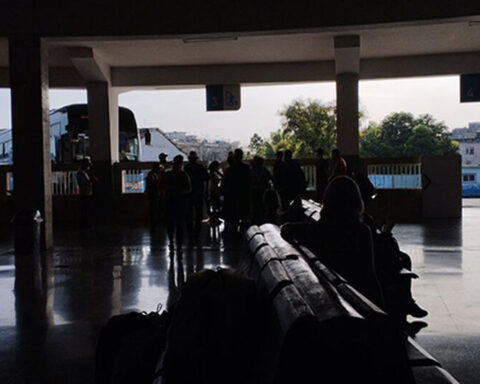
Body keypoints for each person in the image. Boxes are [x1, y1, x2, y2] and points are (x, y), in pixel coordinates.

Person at [281, 175, 384, 308]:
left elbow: (286, 228)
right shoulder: (361, 232)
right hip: (358, 301)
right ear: (356, 201)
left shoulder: (318, 230)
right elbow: (370, 277)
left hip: (328, 298)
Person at [162, 155, 192, 253]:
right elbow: (189, 189)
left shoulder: (167, 175)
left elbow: (161, 186)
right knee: (180, 226)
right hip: (181, 203)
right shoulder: (184, 175)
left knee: (170, 224)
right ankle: (178, 246)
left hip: (169, 201)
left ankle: (171, 242)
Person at [222, 149, 251, 231]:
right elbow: (249, 181)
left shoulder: (230, 170)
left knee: (233, 214)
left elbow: (226, 182)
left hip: (232, 194)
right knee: (243, 213)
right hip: (243, 193)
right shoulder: (246, 168)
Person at [184, 151, 209, 240]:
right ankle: (197, 232)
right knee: (198, 214)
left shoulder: (186, 168)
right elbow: (206, 180)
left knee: (189, 214)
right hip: (198, 193)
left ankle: (190, 232)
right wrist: (206, 192)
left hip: (189, 194)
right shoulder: (201, 168)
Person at [250, 156, 273, 224]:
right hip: (262, 189)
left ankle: (254, 219)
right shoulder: (264, 170)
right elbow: (270, 178)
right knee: (262, 204)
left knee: (254, 204)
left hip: (253, 189)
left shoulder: (252, 170)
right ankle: (262, 219)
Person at [77, 158, 97, 228]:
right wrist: (90, 181)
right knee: (85, 210)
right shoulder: (81, 173)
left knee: (86, 210)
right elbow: (82, 183)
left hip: (87, 193)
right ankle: (84, 224)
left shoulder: (84, 173)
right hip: (84, 194)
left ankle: (86, 223)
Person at [145, 162, 161, 228]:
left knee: (153, 209)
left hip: (153, 194)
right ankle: (154, 223)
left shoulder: (151, 174)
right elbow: (154, 183)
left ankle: (154, 223)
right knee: (154, 209)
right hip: (154, 194)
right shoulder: (153, 175)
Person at [208, 161, 223, 225]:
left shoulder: (211, 173)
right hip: (214, 190)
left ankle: (214, 217)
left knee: (215, 205)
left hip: (213, 190)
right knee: (215, 204)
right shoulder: (212, 174)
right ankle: (214, 217)